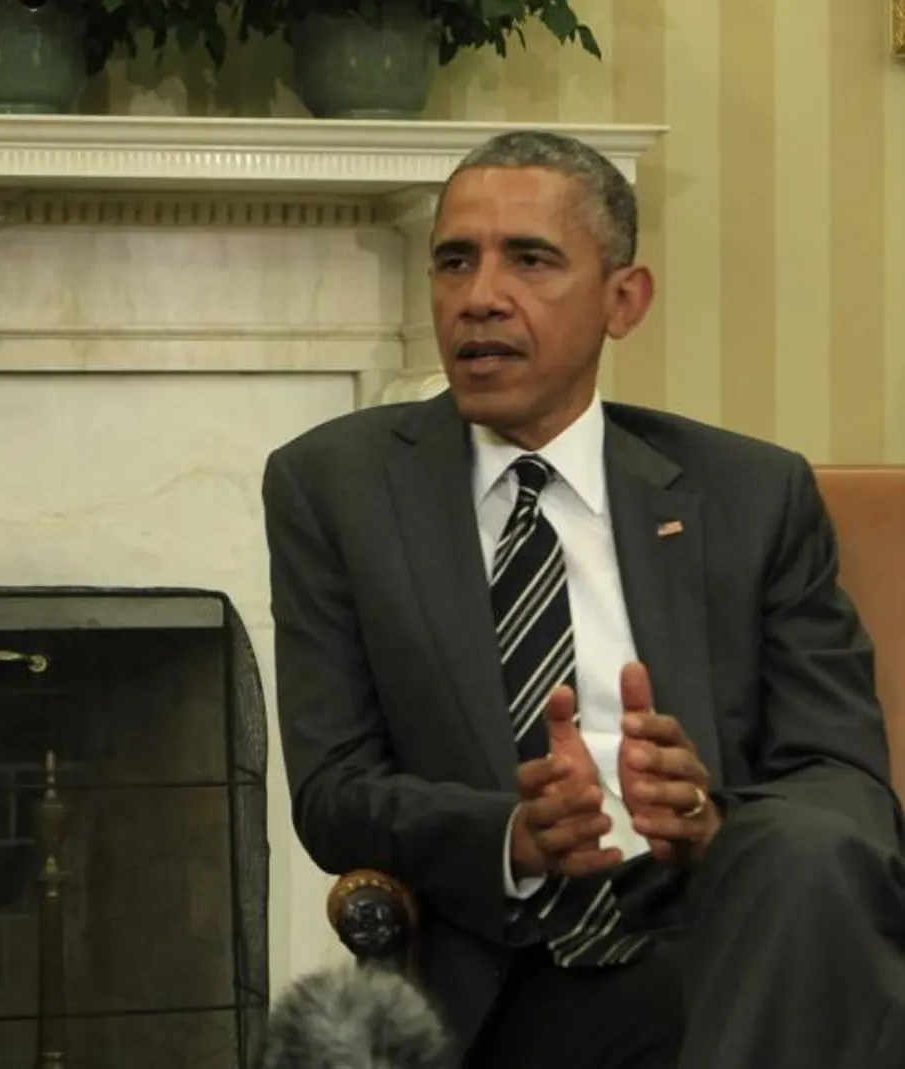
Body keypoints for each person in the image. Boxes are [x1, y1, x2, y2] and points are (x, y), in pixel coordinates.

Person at [263, 129, 905, 1069]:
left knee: (806, 861)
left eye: (530, 259)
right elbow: (334, 791)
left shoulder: (749, 492)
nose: (481, 295)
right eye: (455, 261)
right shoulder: (336, 487)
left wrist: (714, 823)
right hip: (510, 974)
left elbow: (844, 776)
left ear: (623, 300)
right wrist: (515, 834)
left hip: (728, 931)